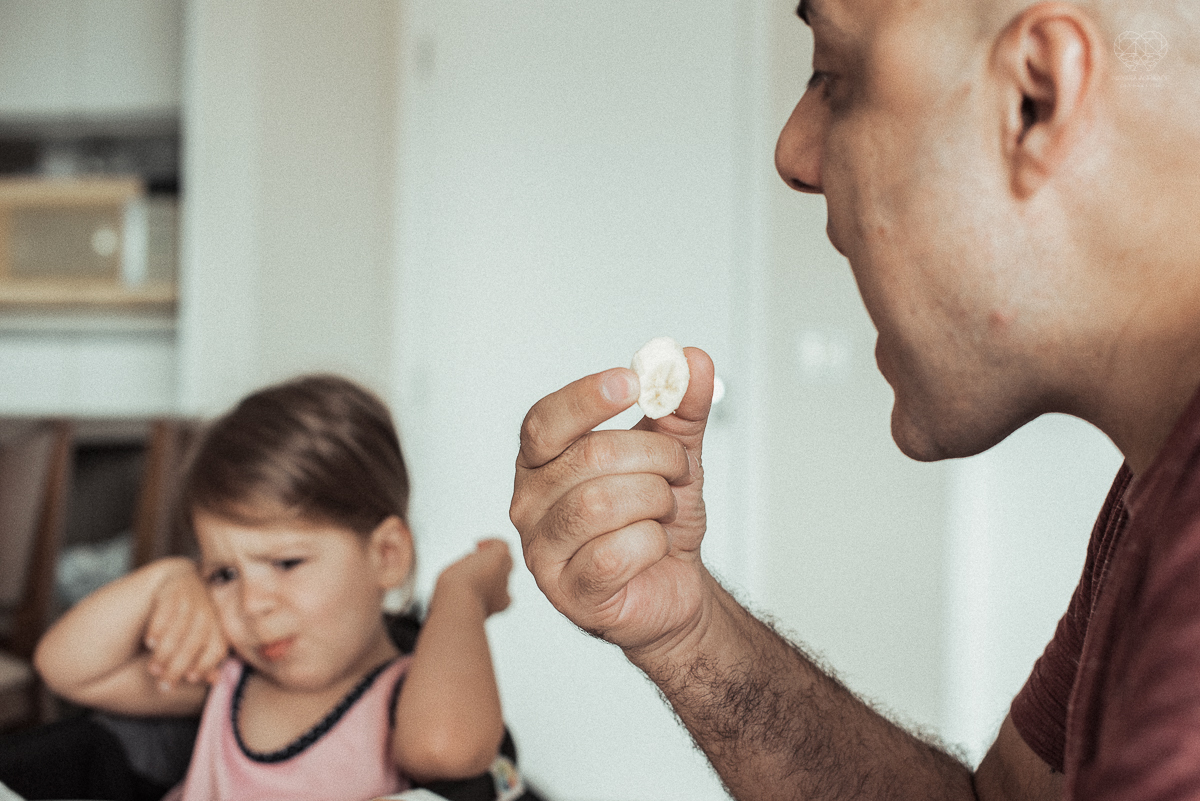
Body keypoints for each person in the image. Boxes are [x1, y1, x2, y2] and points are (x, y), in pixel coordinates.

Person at [510, 0, 1200, 799]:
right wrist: (688, 631)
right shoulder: (1153, 492)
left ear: (1033, 99)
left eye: (831, 73)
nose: (792, 153)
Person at [35, 374, 514, 801]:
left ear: (386, 555)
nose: (252, 604)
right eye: (224, 574)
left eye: (286, 563)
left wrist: (461, 593)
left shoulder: (406, 697)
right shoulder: (224, 679)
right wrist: (170, 577)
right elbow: (66, 668)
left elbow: (444, 750)